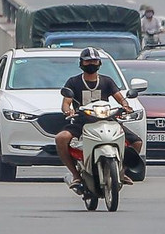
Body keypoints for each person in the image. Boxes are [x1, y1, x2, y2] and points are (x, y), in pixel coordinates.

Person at [55, 47, 143, 192]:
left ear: (99, 63)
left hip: (107, 119)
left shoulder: (107, 81)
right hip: (81, 121)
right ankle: (75, 175)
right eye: (88, 61)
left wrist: (125, 106)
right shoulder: (73, 81)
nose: (91, 64)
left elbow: (120, 97)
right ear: (81, 63)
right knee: (61, 138)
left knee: (137, 142)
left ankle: (121, 172)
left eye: (94, 61)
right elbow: (66, 102)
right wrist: (68, 111)